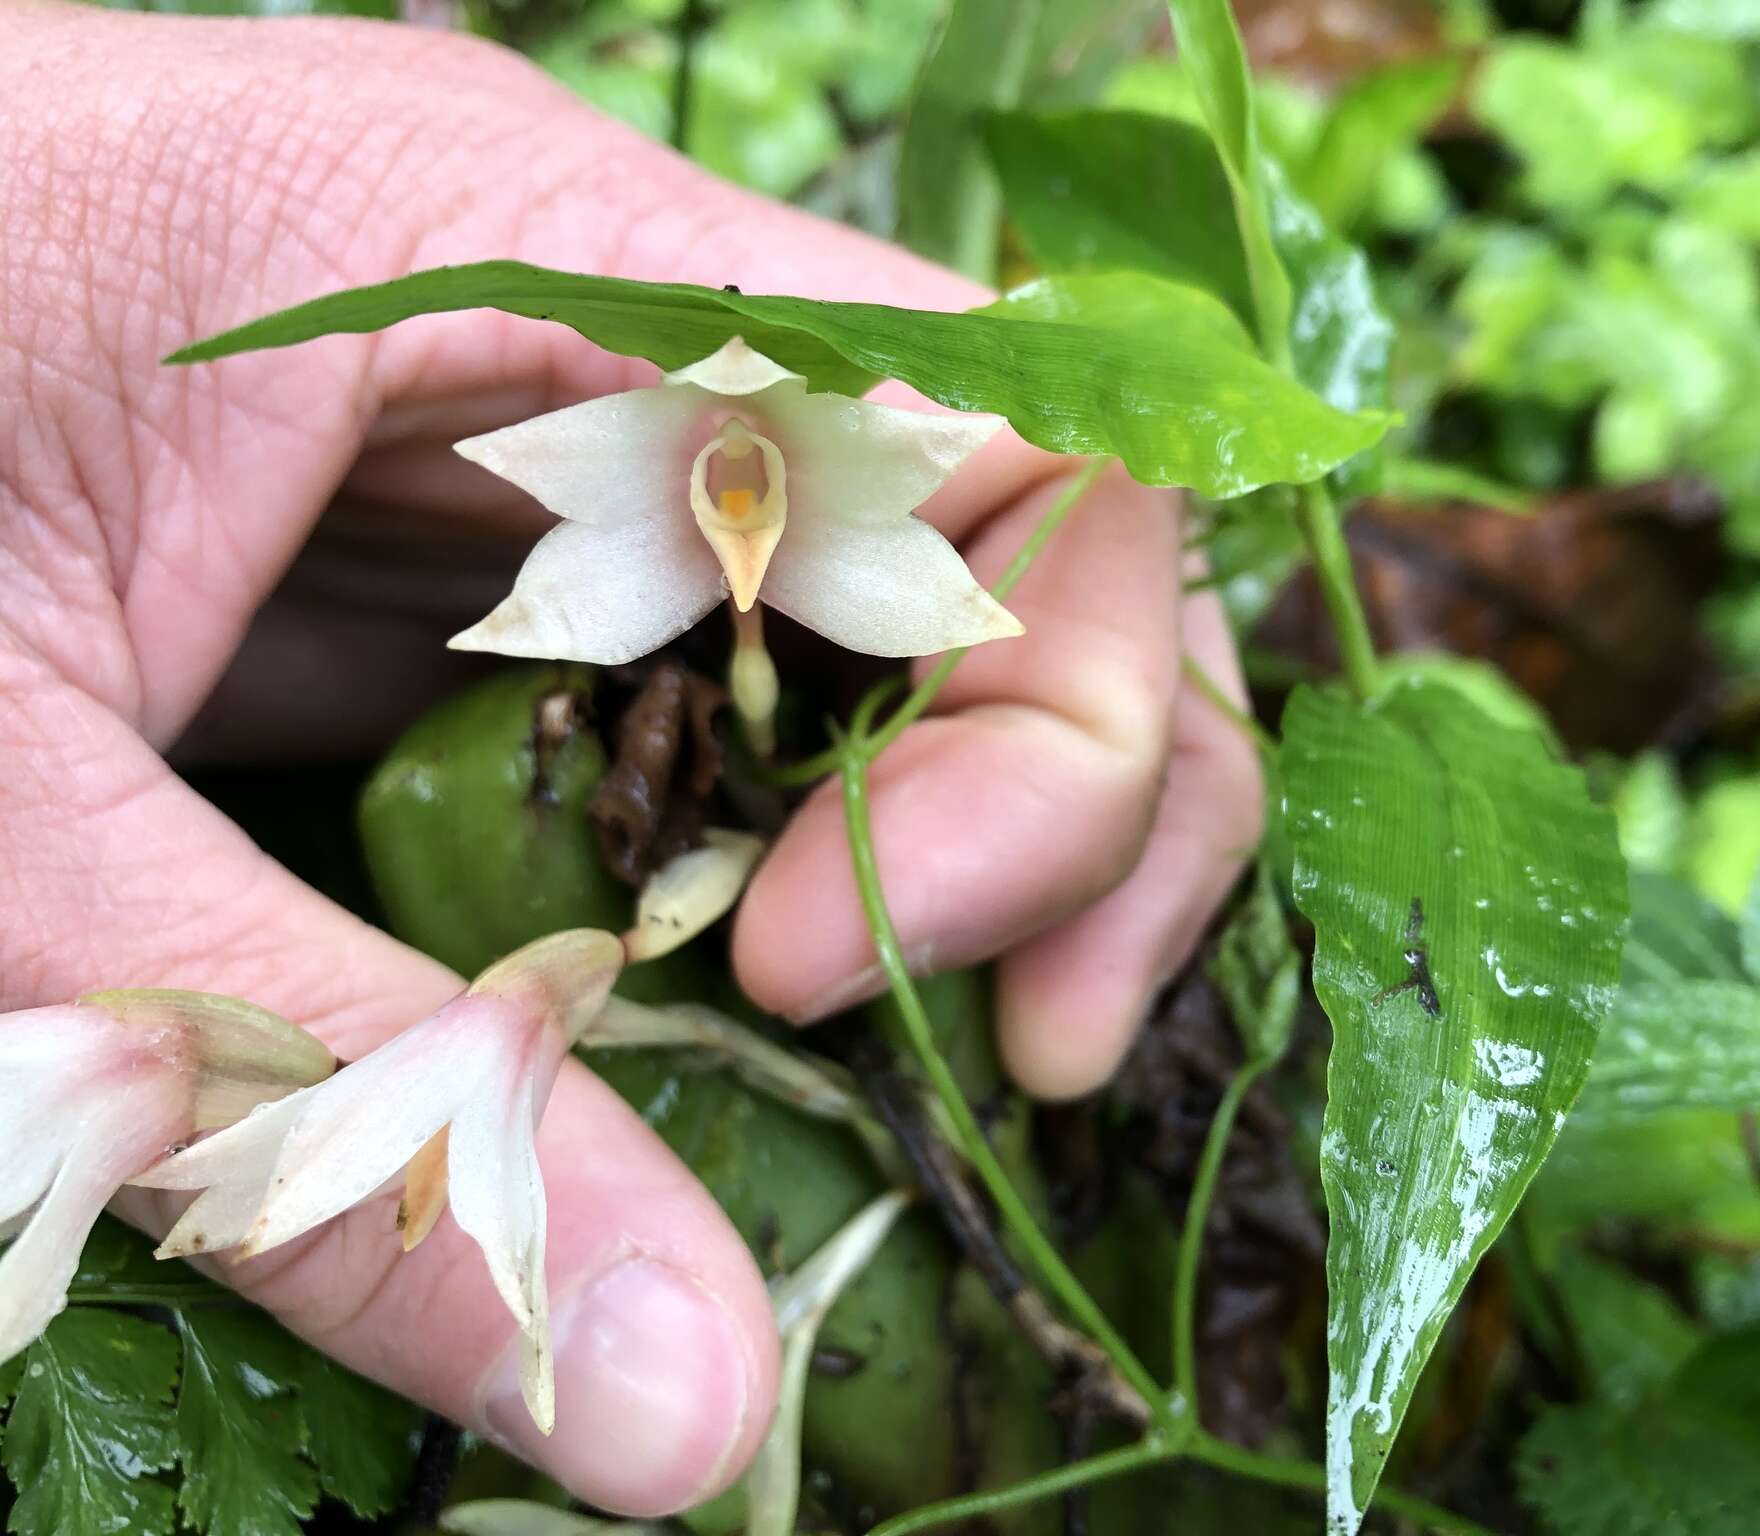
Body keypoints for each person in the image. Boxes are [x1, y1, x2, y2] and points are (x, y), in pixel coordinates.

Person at [0, 3, 1262, 1516]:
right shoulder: (615, 521)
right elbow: (573, 589)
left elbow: (909, 575)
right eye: (722, 477)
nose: (737, 495)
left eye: (752, 480)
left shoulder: (848, 524)